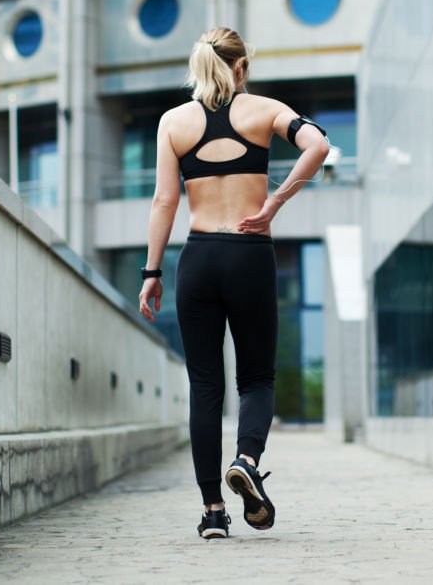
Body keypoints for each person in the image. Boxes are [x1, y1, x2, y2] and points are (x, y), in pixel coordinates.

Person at [137, 27, 330, 539]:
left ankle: (213, 512)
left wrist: (152, 273)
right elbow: (319, 144)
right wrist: (274, 202)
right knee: (257, 379)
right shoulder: (264, 110)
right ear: (241, 67)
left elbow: (164, 202)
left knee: (205, 386)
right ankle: (246, 457)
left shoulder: (174, 122)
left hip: (198, 259)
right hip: (249, 255)